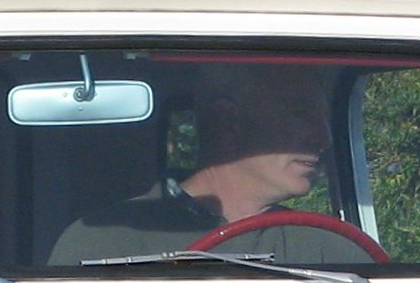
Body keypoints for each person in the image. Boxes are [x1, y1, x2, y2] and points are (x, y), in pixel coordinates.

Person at [49, 64, 337, 263]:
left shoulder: (328, 249)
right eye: (300, 114)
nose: (323, 138)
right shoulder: (102, 244)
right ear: (227, 120)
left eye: (323, 118)